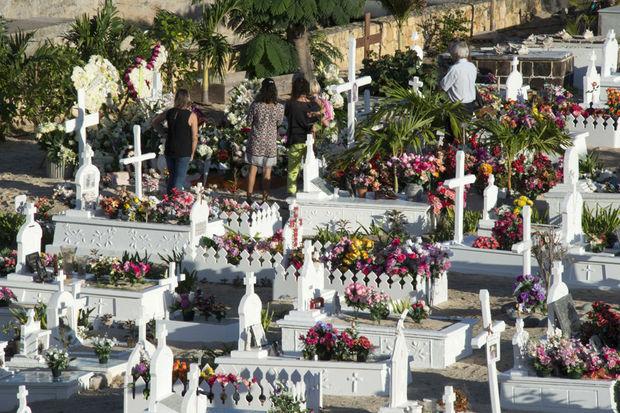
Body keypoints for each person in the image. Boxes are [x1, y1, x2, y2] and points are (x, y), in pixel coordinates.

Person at [245, 78, 285, 202]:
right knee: (267, 172)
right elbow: (279, 122)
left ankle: (249, 197)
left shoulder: (256, 105)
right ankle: (265, 199)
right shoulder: (279, 107)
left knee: (253, 170)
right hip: (270, 142)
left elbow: (248, 122)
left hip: (256, 140)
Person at [152, 89, 198, 194]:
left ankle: (168, 201)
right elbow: (195, 137)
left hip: (170, 148)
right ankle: (175, 203)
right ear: (187, 99)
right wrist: (192, 153)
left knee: (172, 177)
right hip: (183, 150)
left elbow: (154, 122)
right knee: (179, 178)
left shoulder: (169, 112)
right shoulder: (191, 116)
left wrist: (163, 132)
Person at [285, 77, 321, 196]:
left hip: (295, 139)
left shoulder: (290, 104)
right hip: (309, 140)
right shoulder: (312, 105)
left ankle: (292, 194)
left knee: (293, 169)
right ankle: (309, 190)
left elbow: (287, 116)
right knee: (310, 167)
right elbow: (320, 119)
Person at [440, 41, 478, 114]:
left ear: (456, 53)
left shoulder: (455, 68)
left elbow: (443, 86)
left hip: (458, 106)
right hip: (470, 104)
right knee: (466, 124)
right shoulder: (472, 66)